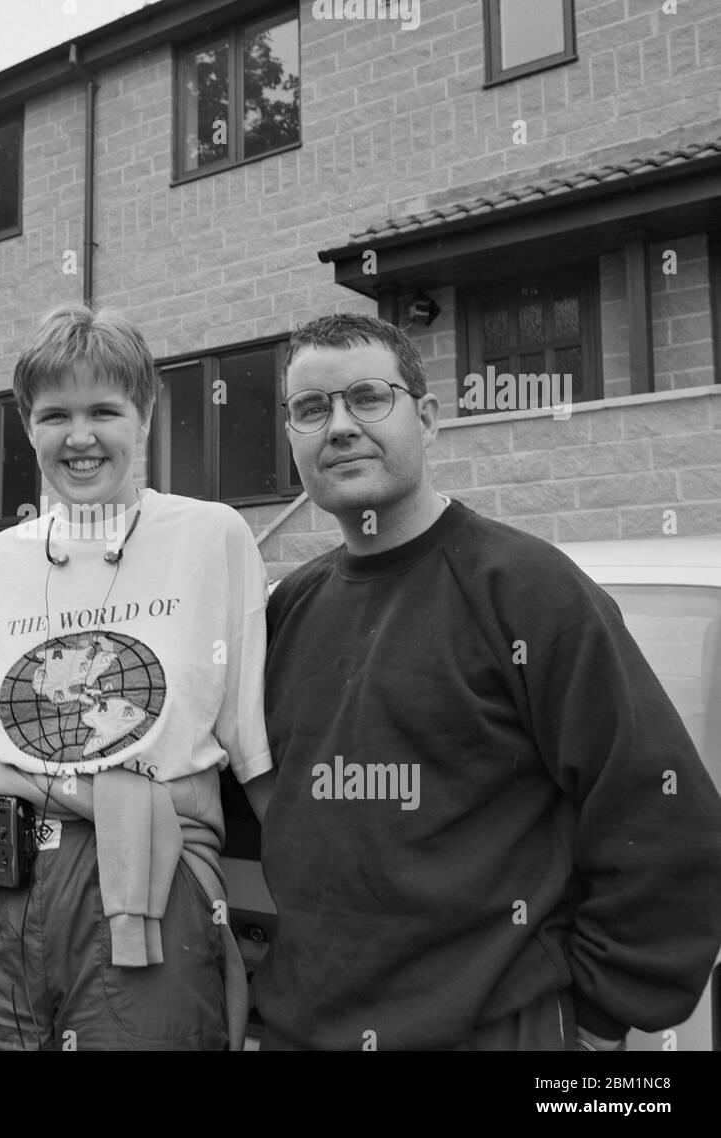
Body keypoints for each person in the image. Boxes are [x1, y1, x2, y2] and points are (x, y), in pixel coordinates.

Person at [254, 311, 721, 1051]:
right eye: (312, 408)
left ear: (429, 418)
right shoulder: (288, 610)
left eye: (368, 397)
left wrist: (599, 1022)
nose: (339, 425)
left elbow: (663, 812)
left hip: (498, 1032)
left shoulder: (528, 591)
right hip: (302, 1028)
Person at [0, 303, 276, 1050]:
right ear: (28, 423)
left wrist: (307, 918)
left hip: (152, 873)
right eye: (55, 415)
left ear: (144, 413)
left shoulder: (213, 538)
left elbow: (255, 756)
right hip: (4, 880)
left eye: (104, 409)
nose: (80, 437)